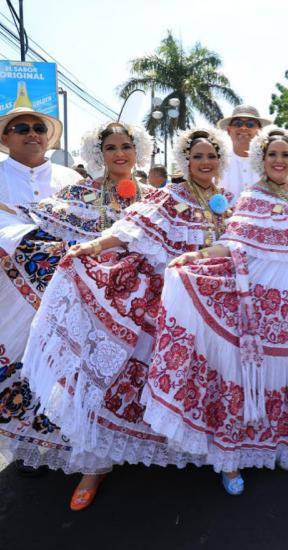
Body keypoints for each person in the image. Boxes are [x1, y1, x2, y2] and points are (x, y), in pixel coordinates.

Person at [20, 127, 233, 510]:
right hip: (149, 299)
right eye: (197, 156)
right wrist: (89, 248)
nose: (205, 162)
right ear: (185, 160)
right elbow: (128, 229)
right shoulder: (166, 196)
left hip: (206, 306)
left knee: (207, 375)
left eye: (211, 156)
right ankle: (95, 464)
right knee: (116, 371)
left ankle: (217, 454)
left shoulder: (220, 201)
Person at [143, 126, 288, 495]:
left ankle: (286, 444)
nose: (279, 160)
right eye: (272, 154)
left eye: (285, 155)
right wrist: (196, 257)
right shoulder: (252, 197)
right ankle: (233, 457)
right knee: (260, 373)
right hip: (264, 305)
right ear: (261, 159)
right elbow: (233, 244)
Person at [0, 121, 152, 478]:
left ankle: (134, 443)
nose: (119, 154)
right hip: (86, 303)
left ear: (138, 151)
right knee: (80, 373)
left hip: (141, 306)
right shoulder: (82, 191)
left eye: (126, 147)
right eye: (111, 148)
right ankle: (90, 459)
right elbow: (40, 218)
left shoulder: (155, 197)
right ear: (99, 154)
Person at [0, 97, 80, 207]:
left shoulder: (71, 178)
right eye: (22, 129)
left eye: (39, 129)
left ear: (47, 138)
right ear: (5, 139)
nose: (33, 134)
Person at [217, 105, 272, 199]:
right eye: (237, 123)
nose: (243, 128)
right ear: (229, 130)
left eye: (250, 124)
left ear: (259, 131)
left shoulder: (271, 164)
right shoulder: (216, 165)